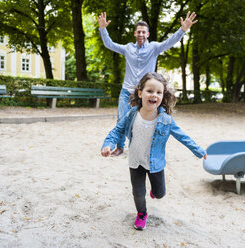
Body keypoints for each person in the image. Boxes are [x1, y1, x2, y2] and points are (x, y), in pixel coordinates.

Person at [101, 72, 207, 230]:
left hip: (155, 163)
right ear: (140, 93)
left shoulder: (166, 120)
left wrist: (198, 150)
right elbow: (117, 131)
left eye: (159, 92)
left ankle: (154, 192)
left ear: (163, 96)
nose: (154, 95)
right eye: (149, 91)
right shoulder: (131, 114)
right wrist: (107, 144)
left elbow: (183, 137)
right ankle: (142, 213)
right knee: (138, 192)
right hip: (135, 161)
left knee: (160, 193)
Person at [97, 11, 198, 156]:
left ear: (148, 34)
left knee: (144, 119)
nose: (141, 34)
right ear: (134, 33)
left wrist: (182, 30)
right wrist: (103, 29)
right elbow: (109, 44)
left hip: (144, 93)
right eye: (138, 32)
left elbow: (170, 42)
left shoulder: (154, 48)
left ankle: (141, 145)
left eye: (143, 32)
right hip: (126, 92)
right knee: (121, 118)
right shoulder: (127, 49)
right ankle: (119, 146)